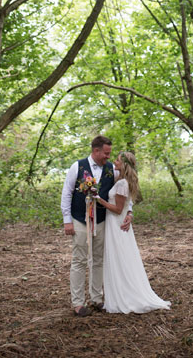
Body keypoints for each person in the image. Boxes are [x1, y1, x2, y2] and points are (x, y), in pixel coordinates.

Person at [61, 135, 133, 317]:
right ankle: (77, 303)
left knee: (99, 259)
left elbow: (125, 193)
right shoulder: (77, 167)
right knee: (79, 260)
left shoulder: (113, 170)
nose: (108, 157)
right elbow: (67, 193)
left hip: (101, 221)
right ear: (96, 151)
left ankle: (97, 298)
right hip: (79, 220)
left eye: (110, 154)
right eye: (106, 153)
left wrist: (129, 212)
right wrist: (67, 220)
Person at [96, 151, 171, 314]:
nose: (114, 162)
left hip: (117, 225)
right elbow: (126, 205)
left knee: (120, 259)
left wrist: (99, 199)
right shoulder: (120, 179)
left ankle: (126, 296)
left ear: (124, 165)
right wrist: (129, 214)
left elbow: (117, 209)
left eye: (117, 160)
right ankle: (118, 293)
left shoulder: (122, 183)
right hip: (116, 224)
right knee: (120, 258)